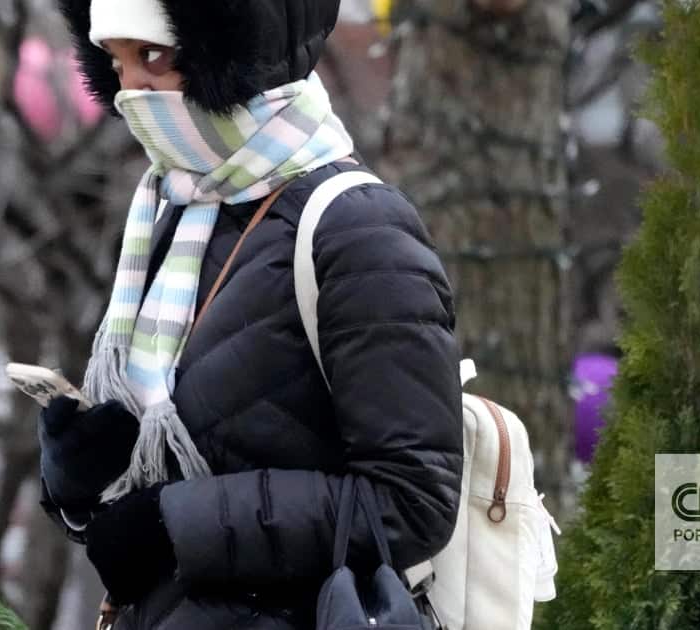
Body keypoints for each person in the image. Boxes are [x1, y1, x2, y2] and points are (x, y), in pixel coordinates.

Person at [39, 1, 464, 628]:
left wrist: (174, 523)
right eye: (116, 60)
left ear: (232, 48)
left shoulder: (358, 230)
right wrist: (80, 475)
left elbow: (413, 501)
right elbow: (169, 468)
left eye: (154, 54)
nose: (131, 87)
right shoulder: (173, 204)